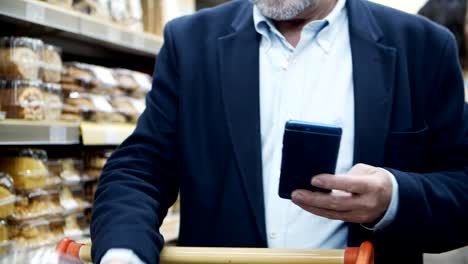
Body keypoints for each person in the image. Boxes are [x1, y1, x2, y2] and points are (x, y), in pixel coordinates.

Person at [91, 0, 468, 264]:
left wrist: (394, 198)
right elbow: (141, 167)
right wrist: (123, 252)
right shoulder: (190, 43)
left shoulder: (422, 47)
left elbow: (461, 189)